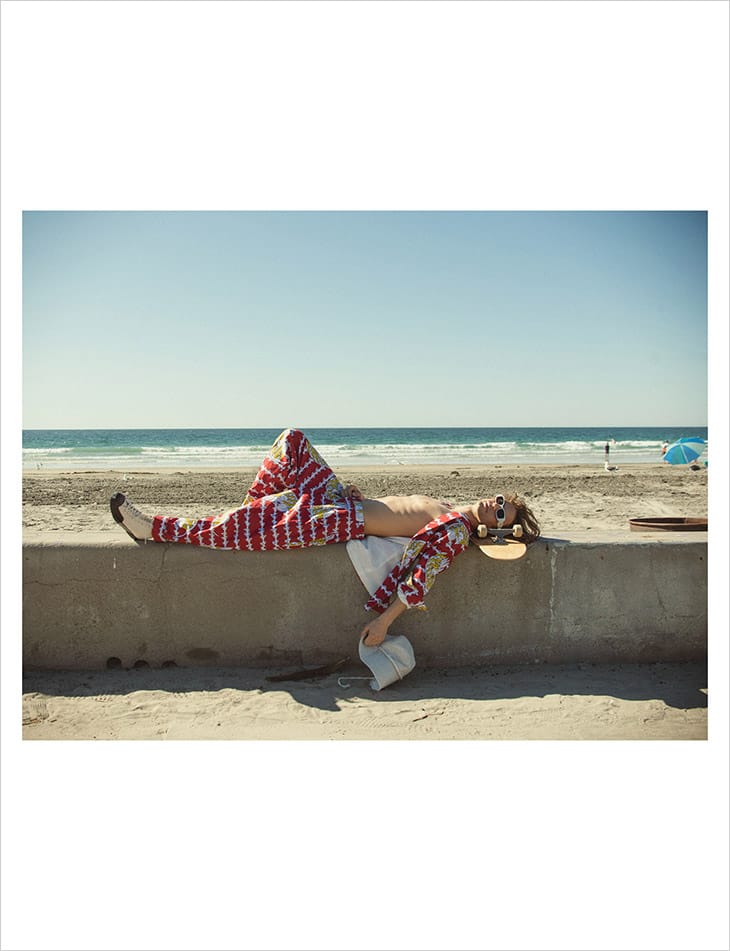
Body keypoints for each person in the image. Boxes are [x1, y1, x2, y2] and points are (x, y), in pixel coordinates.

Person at [110, 428, 541, 647]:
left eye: (502, 512)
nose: (495, 503)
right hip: (345, 501)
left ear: (498, 529)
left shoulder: (456, 531)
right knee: (293, 441)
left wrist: (383, 622)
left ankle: (155, 529)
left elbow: (422, 577)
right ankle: (249, 514)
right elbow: (395, 510)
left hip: (337, 521)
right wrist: (360, 495)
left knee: (255, 521)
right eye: (501, 498)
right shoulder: (449, 507)